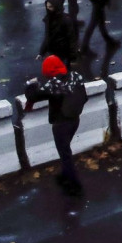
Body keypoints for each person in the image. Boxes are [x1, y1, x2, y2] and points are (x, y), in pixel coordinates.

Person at [23, 55, 87, 196]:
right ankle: (65, 175)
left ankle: (74, 185)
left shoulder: (54, 84)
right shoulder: (76, 76)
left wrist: (30, 83)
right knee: (65, 150)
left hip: (60, 124)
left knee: (65, 154)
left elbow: (33, 96)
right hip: (75, 119)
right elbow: (84, 96)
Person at [38, 0, 79, 65]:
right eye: (47, 7)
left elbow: (71, 39)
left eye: (50, 7)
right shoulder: (48, 19)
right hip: (53, 51)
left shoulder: (66, 20)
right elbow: (47, 36)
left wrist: (73, 57)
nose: (48, 9)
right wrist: (41, 52)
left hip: (63, 52)